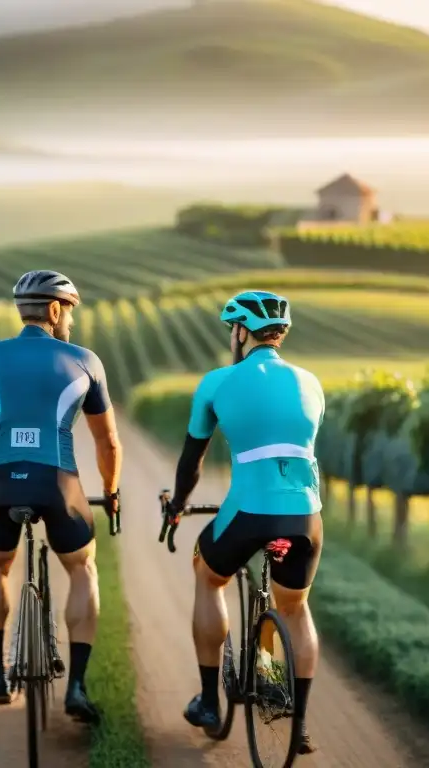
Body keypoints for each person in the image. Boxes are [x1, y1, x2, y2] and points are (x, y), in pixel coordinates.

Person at [0, 269, 122, 726]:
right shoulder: (84, 359)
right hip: (57, 480)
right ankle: (78, 688)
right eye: (69, 310)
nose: (70, 320)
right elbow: (107, 444)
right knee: (83, 567)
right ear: (54, 309)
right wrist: (110, 491)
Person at [163, 290, 324, 754]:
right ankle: (299, 724)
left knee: (208, 573)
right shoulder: (310, 382)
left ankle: (210, 702)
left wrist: (177, 506)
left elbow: (192, 460)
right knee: (293, 607)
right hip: (304, 516)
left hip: (249, 513)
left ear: (239, 331)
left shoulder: (217, 383)